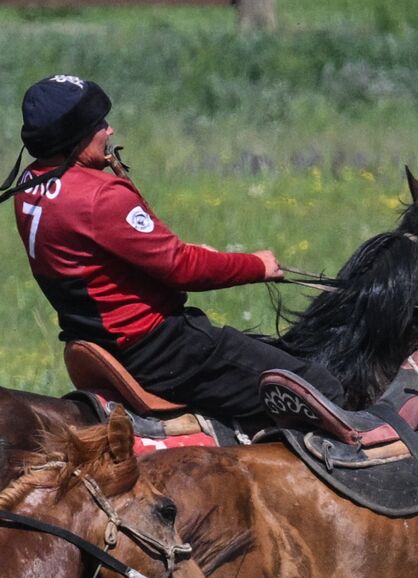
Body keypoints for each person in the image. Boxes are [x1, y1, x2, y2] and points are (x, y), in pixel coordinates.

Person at [4, 74, 344, 424]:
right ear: (72, 140)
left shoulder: (31, 184)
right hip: (161, 351)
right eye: (99, 124)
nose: (110, 130)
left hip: (98, 345)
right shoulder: (97, 196)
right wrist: (257, 266)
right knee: (320, 389)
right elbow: (181, 267)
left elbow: (96, 260)